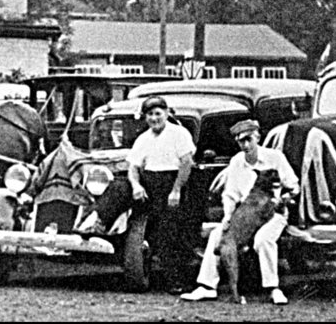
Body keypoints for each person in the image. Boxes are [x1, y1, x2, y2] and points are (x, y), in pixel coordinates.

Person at [181, 119, 300, 305]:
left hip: (272, 213)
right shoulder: (237, 161)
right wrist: (228, 217)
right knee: (217, 235)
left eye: (248, 139)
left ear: (258, 137)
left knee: (263, 240)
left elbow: (293, 186)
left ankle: (273, 288)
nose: (245, 145)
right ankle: (207, 286)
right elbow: (230, 194)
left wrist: (282, 198)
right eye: (240, 141)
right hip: (244, 213)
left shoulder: (275, 157)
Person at [88, 96, 195, 293]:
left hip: (171, 183)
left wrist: (176, 190)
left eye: (158, 114)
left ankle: (175, 281)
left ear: (167, 113)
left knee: (168, 230)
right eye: (150, 115)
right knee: (120, 186)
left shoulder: (179, 134)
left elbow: (186, 163)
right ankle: (98, 221)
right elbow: (133, 167)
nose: (154, 118)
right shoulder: (143, 138)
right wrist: (136, 186)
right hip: (148, 183)